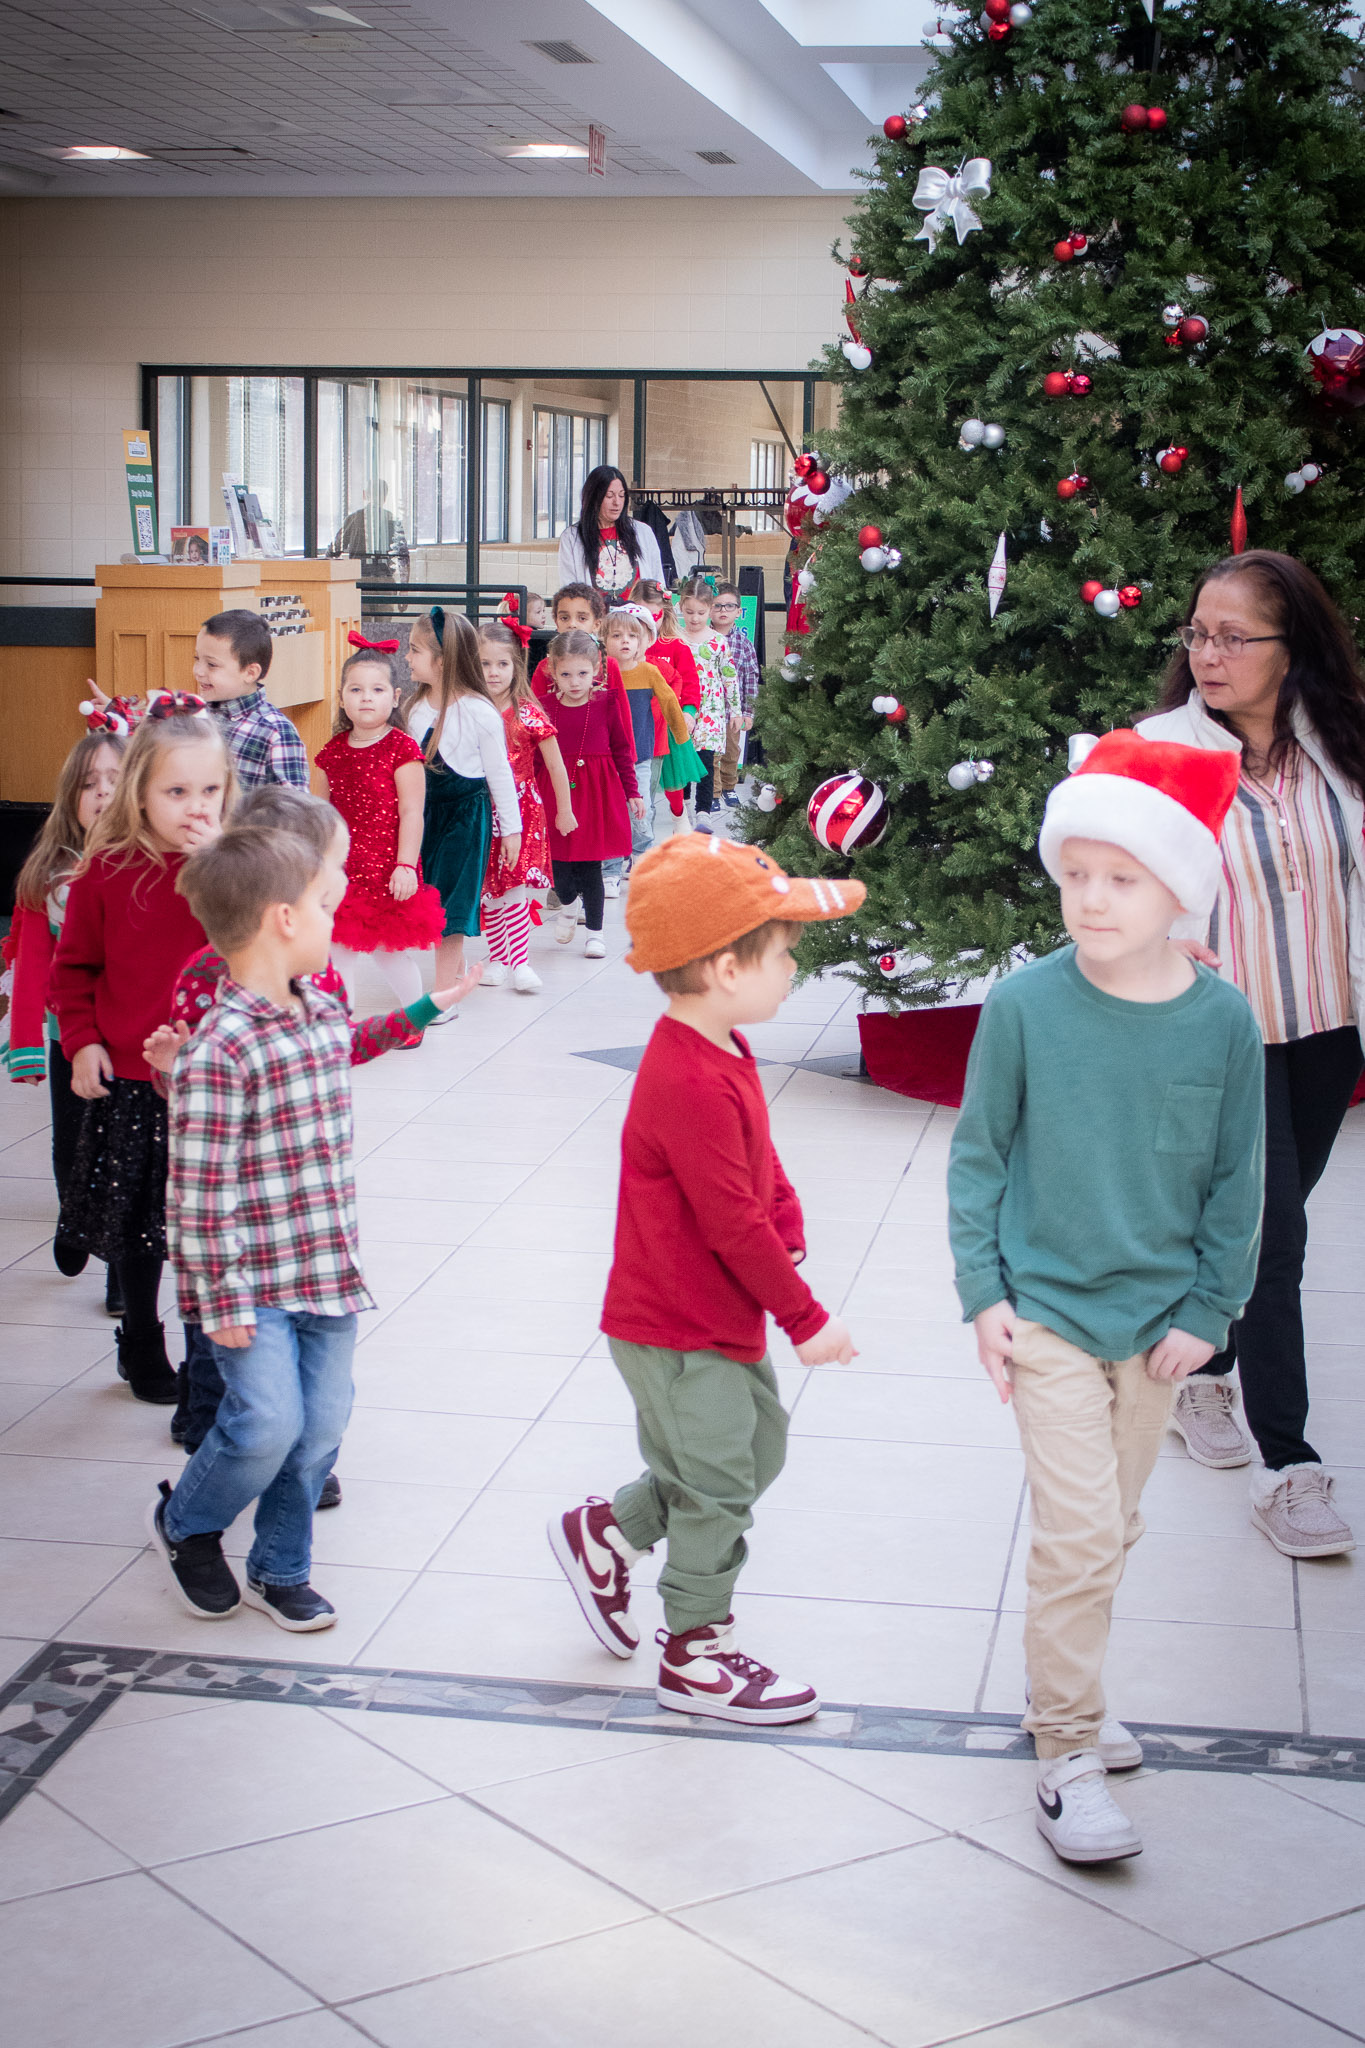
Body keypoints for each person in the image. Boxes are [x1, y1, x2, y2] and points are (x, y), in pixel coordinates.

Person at [949, 730, 1265, 1865]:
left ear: (1178, 888)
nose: (1090, 898)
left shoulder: (1222, 1021)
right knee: (1081, 1533)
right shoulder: (1025, 1006)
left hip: (1159, 1329)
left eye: (1121, 878)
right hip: (1046, 1311)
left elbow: (1237, 1179)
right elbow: (979, 1156)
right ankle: (1067, 1749)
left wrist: (1209, 1308)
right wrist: (983, 1293)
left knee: (1111, 1526)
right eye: (1075, 872)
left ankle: (1064, 1685)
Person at [550, 834, 861, 1724]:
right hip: (674, 1325)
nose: (793, 967)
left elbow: (753, 1163)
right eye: (783, 952)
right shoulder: (686, 1077)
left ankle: (609, 1531)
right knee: (718, 1483)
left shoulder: (721, 1046)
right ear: (726, 968)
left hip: (713, 1315)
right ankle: (695, 1651)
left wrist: (787, 1218)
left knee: (754, 1452)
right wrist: (804, 1318)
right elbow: (729, 1221)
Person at [1139, 551, 1365, 1559]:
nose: (1209, 653)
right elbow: (1098, 878)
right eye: (1198, 633)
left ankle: (1203, 1362)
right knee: (1274, 1238)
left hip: (1327, 1023)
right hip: (1222, 1034)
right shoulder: (1158, 752)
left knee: (1268, 1218)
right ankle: (1289, 1465)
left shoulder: (1341, 745)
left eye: (1234, 637)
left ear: (1291, 646)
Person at [145, 784, 470, 1463]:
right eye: (331, 874)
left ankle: (302, 1460)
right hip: (238, 1210)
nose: (343, 888)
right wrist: (173, 1069)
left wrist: (418, 1012)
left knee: (304, 1354)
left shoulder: (320, 980)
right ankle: (208, 1442)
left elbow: (341, 1045)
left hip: (303, 1211)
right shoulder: (206, 977)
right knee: (223, 1346)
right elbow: (198, 1095)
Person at [147, 824, 370, 1632]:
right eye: (322, 904)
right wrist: (218, 1299)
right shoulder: (220, 1047)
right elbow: (197, 1193)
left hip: (327, 1269)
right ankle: (186, 1523)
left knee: (318, 1432)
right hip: (251, 1284)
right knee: (265, 1426)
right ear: (283, 919)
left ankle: (280, 1569)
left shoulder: (322, 1014)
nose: (330, 917)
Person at [49, 700, 234, 1402]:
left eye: (209, 789)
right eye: (176, 791)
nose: (196, 805)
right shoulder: (108, 870)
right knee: (138, 1222)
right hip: (131, 1079)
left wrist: (221, 868)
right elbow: (74, 969)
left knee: (203, 1226)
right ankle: (140, 1337)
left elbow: (264, 947)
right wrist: (81, 1043)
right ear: (140, 794)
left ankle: (206, 1353)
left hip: (213, 1081)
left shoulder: (237, 869)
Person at [5, 726, 125, 1309]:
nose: (101, 792)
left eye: (114, 780)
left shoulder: (152, 866)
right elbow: (32, 966)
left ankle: (122, 1269)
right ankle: (77, 1214)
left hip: (132, 1039)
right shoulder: (50, 874)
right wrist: (26, 1044)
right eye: (88, 783)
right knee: (71, 1147)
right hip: (69, 1038)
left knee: (125, 1151)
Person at [315, 642, 444, 1007]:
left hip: (387, 870)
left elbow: (412, 812)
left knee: (389, 953)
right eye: (356, 689)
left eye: (377, 689)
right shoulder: (331, 753)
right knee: (338, 950)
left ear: (395, 696)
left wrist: (406, 865)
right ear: (342, 698)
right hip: (344, 871)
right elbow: (319, 816)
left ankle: (416, 1017)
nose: (366, 698)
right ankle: (341, 1023)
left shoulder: (402, 749)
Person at [405, 606, 521, 1007]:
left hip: (465, 820)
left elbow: (500, 773)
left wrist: (512, 829)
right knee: (429, 900)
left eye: (415, 650)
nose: (407, 657)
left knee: (451, 907)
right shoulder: (414, 709)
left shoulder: (479, 711)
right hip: (423, 818)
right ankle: (453, 972)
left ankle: (442, 996)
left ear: (441, 661)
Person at [477, 621, 573, 994]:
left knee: (515, 886)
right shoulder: (469, 710)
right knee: (489, 889)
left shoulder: (528, 713)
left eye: (502, 664)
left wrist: (564, 809)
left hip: (521, 811)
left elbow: (556, 765)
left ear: (516, 665)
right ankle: (497, 958)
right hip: (480, 810)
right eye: (485, 664)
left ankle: (520, 963)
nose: (494, 672)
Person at [537, 630, 641, 958]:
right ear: (553, 672)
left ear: (596, 669)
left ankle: (595, 933)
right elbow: (536, 756)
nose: (575, 682)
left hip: (596, 793)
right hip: (555, 793)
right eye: (566, 674)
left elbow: (621, 749)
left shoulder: (606, 703)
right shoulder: (544, 707)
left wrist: (633, 791)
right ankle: (568, 905)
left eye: (582, 673)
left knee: (590, 866)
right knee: (559, 867)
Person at [601, 607, 694, 859]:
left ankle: (641, 854)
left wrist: (681, 736)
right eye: (617, 635)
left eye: (632, 636)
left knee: (641, 806)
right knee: (611, 808)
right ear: (604, 640)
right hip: (606, 757)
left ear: (642, 641)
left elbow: (669, 702)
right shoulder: (600, 673)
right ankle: (611, 863)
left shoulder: (649, 672)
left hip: (641, 753)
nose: (625, 641)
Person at [193, 609, 310, 790]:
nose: (198, 671)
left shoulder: (275, 732)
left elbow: (293, 804)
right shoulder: (194, 716)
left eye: (211, 664)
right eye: (197, 659)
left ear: (250, 673)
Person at [677, 578, 740, 820]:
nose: (695, 618)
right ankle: (682, 808)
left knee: (706, 761)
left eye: (701, 613)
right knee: (683, 757)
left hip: (710, 711)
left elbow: (729, 677)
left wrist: (736, 711)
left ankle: (703, 811)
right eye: (689, 612)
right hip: (682, 708)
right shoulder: (676, 638)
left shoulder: (718, 642)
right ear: (680, 607)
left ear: (710, 609)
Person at [556, 465, 664, 596]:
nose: (617, 502)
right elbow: (569, 589)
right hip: (594, 610)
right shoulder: (572, 537)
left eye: (621, 495)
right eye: (609, 496)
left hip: (637, 609)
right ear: (593, 498)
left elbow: (658, 582)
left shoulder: (643, 532)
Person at [710, 582, 761, 806]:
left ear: (738, 612)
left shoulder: (744, 644)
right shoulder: (702, 640)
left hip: (733, 712)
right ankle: (712, 792)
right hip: (708, 711)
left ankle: (729, 787)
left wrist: (749, 712)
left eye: (729, 606)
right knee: (712, 754)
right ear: (708, 609)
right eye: (717, 605)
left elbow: (750, 679)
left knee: (731, 752)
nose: (723, 610)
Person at [327, 479, 410, 586]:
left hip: (359, 580)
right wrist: (404, 586)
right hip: (385, 580)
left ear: (364, 495)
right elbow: (403, 556)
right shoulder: (392, 519)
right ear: (385, 497)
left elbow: (334, 550)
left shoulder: (353, 519)